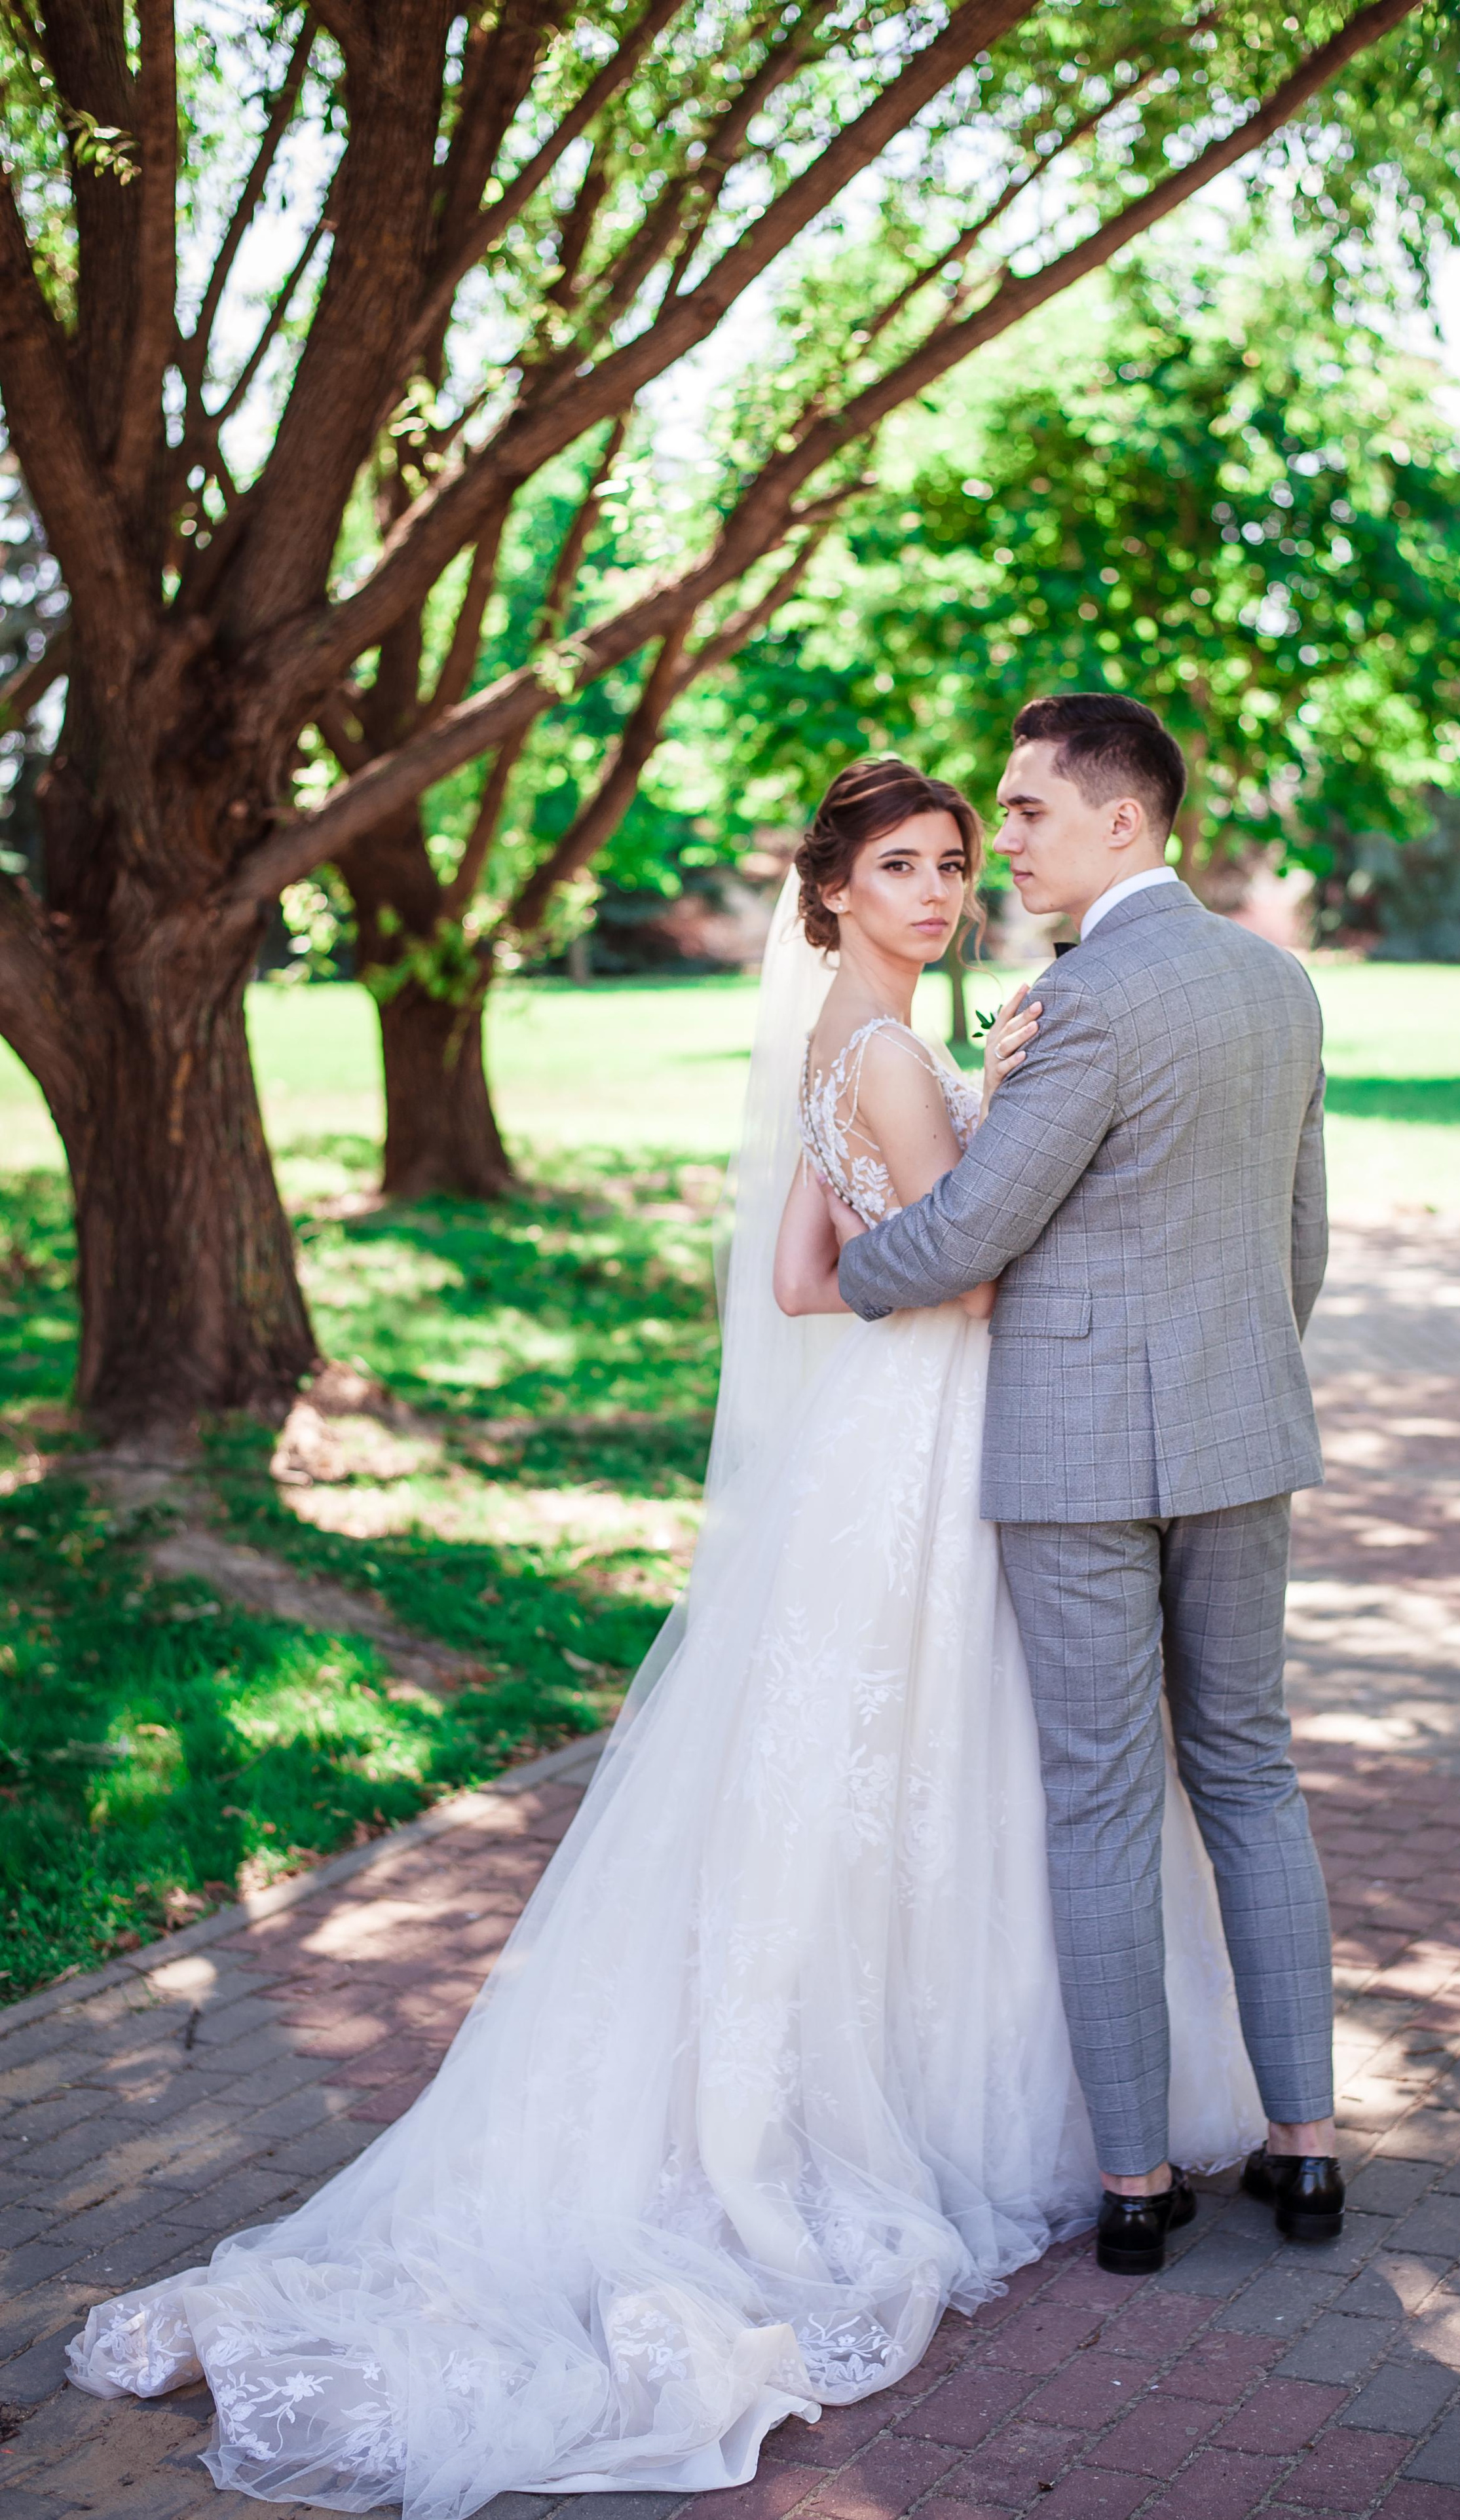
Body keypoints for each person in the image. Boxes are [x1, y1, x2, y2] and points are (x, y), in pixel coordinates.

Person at [64, 751, 1263, 2520]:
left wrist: (964, 1141)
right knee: (962, 1767)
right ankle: (934, 2116)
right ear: (836, 892)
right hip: (927, 1459)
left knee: (894, 1776)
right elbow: (977, 1271)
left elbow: (800, 1280)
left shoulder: (826, 1052)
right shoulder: (894, 1051)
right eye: (908, 869)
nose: (942, 892)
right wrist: (1014, 1108)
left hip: (871, 1457)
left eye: (955, 864)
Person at [835, 695, 1341, 2272]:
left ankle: (1134, 2185)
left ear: (1120, 818)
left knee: (1103, 1797)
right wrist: (1229, 1372)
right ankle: (1306, 2151)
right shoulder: (1276, 980)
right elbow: (1299, 1240)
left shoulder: (1087, 999)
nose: (1006, 846)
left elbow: (974, 1225)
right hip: (1241, 1431)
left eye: (1028, 812)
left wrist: (841, 1279)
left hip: (1074, 1452)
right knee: (1251, 1777)